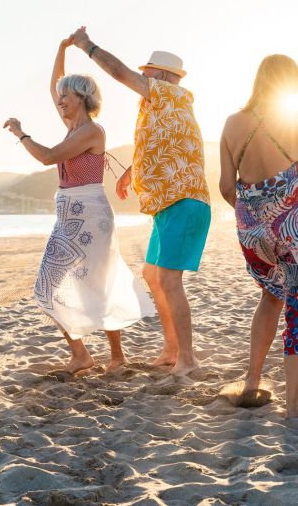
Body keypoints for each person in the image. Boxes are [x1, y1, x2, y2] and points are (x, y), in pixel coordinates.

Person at [3, 35, 155, 372]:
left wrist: (21, 134)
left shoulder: (92, 132)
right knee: (51, 285)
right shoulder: (72, 127)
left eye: (65, 96)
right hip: (68, 212)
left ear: (82, 98)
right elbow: (53, 86)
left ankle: (111, 357)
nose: (59, 101)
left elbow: (47, 157)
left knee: (97, 281)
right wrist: (60, 49)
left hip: (89, 214)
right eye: (59, 98)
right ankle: (84, 354)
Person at [68, 27, 211, 376]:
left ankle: (187, 359)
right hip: (168, 204)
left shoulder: (169, 94)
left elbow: (119, 73)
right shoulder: (164, 108)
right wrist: (133, 170)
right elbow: (166, 144)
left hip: (184, 201)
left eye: (147, 72)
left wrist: (87, 46)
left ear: (161, 76)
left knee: (169, 279)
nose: (142, 76)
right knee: (152, 274)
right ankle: (172, 348)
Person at [219, 54, 298, 417]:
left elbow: (227, 186)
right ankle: (293, 407)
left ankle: (252, 382)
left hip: (252, 230)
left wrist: (257, 215)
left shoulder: (231, 123)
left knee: (271, 297)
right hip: (293, 226)